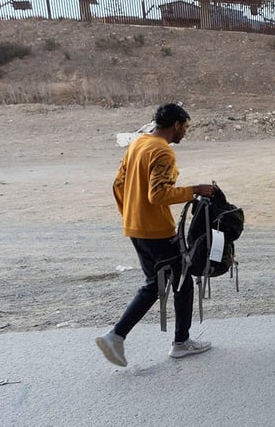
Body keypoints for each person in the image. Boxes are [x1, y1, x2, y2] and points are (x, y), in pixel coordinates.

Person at [96, 103, 217, 367]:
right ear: (176, 125)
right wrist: (194, 189)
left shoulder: (139, 144)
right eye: (185, 127)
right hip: (157, 231)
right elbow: (158, 194)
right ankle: (176, 342)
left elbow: (118, 184)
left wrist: (130, 214)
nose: (185, 133)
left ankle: (117, 337)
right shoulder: (163, 152)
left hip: (135, 226)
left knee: (156, 283)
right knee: (182, 281)